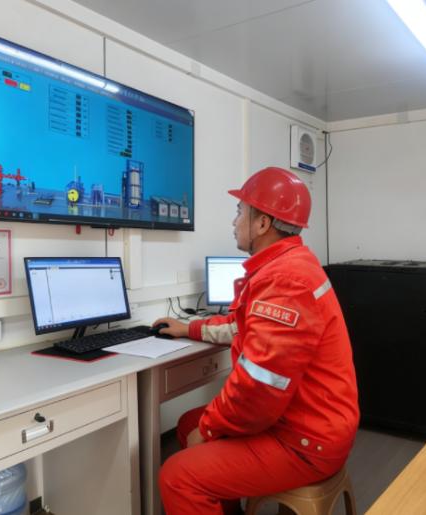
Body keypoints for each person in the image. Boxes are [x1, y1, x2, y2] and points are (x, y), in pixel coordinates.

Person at [152, 167, 359, 515]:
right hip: (310, 420)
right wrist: (188, 328)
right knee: (188, 424)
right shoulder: (289, 265)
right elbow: (241, 326)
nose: (234, 222)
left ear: (263, 223)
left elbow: (258, 389)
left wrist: (210, 429)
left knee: (177, 476)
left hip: (305, 440)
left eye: (240, 212)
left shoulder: (285, 281)